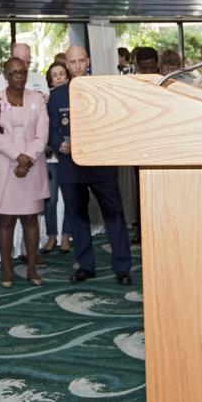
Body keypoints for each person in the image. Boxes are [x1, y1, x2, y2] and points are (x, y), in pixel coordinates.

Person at [49, 46, 134, 285]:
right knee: (77, 217)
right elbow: (52, 130)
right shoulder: (56, 95)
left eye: (81, 61)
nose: (77, 65)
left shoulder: (102, 89)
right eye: (72, 61)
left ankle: (123, 268)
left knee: (114, 216)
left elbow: (112, 124)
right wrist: (59, 146)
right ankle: (85, 266)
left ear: (88, 61)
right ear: (66, 63)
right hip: (70, 165)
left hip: (100, 164)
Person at [0, 57, 47, 287]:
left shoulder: (37, 99)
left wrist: (27, 158)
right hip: (5, 169)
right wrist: (18, 157)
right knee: (6, 221)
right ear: (5, 75)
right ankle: (6, 270)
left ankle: (32, 269)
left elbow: (42, 134)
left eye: (23, 72)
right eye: (14, 72)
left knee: (31, 220)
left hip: (32, 168)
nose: (19, 76)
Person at [41, 63, 72, 254]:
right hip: (52, 156)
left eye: (62, 74)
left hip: (70, 154)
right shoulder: (46, 99)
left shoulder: (74, 94)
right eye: (55, 75)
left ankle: (66, 236)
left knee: (70, 198)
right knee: (50, 200)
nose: (59, 78)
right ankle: (51, 235)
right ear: (50, 80)